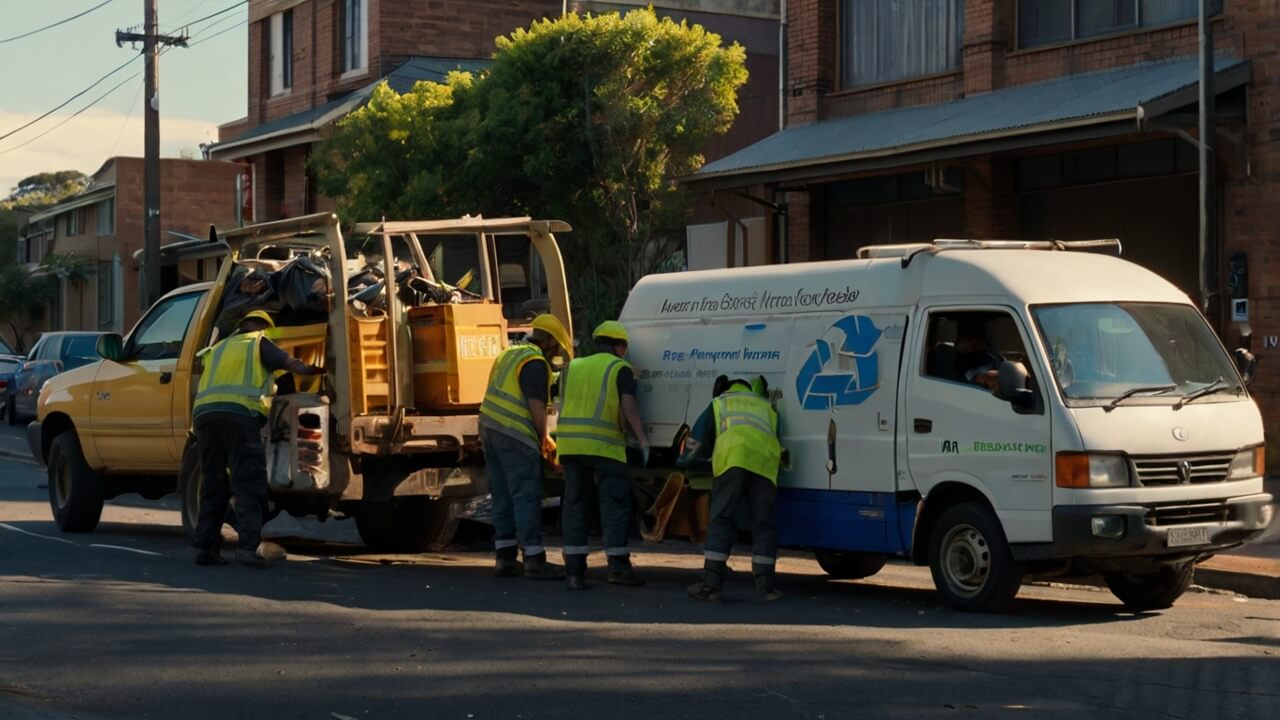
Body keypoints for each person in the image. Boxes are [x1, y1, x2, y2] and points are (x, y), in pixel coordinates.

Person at [192, 310, 324, 568]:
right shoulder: (258, 343)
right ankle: (247, 549)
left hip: (205, 418)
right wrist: (317, 369)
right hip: (238, 417)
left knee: (214, 484)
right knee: (248, 485)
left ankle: (206, 548)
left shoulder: (218, 348)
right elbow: (291, 364)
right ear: (263, 327)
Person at [556, 321, 650, 590]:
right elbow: (628, 406)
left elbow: (561, 406)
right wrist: (642, 440)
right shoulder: (620, 368)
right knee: (614, 503)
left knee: (575, 504)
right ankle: (618, 568)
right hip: (604, 446)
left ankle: (574, 571)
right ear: (620, 346)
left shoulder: (573, 366)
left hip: (571, 445)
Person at [479, 314, 573, 580]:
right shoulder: (534, 362)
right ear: (552, 343)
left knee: (502, 496)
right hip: (514, 434)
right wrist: (544, 439)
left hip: (489, 429)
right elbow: (536, 406)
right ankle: (533, 559)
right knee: (525, 495)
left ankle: (505, 559)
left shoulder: (510, 354)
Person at [681, 376, 784, 602]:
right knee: (764, 524)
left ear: (725, 389)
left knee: (721, 519)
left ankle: (711, 585)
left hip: (733, 460)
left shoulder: (720, 403)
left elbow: (697, 438)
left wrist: (684, 461)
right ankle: (767, 587)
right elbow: (778, 439)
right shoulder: (767, 407)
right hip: (765, 465)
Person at [954, 319, 1004, 391]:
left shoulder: (993, 358)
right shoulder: (957, 362)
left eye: (979, 341)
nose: (974, 343)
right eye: (969, 339)